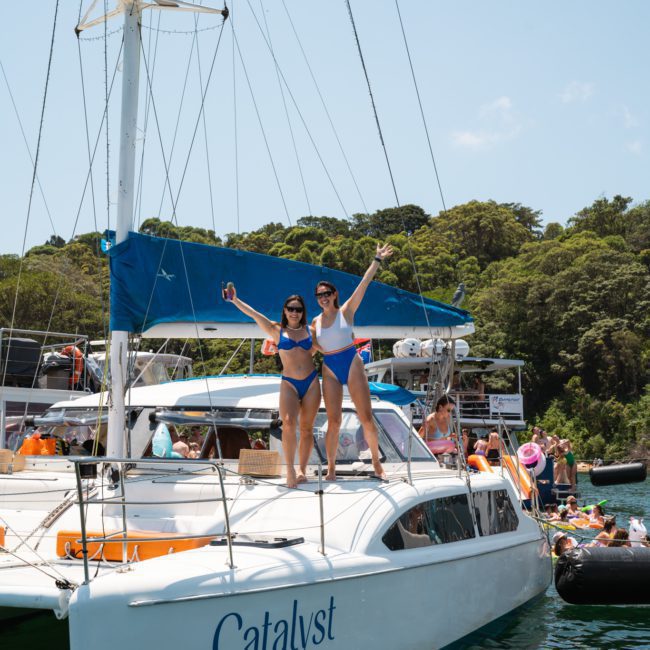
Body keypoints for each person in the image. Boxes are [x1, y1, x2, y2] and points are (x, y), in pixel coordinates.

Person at [312, 243, 393, 481]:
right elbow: (312, 345)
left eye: (327, 294)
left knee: (365, 416)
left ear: (334, 295)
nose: (323, 298)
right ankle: (331, 467)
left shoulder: (345, 311)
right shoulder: (315, 322)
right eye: (319, 296)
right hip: (329, 366)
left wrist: (377, 259)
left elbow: (364, 284)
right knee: (333, 421)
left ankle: (377, 464)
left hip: (351, 361)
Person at [227, 288, 320, 488]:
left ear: (303, 312)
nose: (295, 312)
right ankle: (291, 470)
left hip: (311, 382)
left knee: (306, 428)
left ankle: (302, 470)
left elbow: (323, 348)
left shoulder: (311, 331)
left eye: (299, 309)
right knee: (287, 424)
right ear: (285, 311)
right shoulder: (276, 330)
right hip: (289, 383)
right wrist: (235, 299)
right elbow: (253, 314)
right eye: (291, 309)